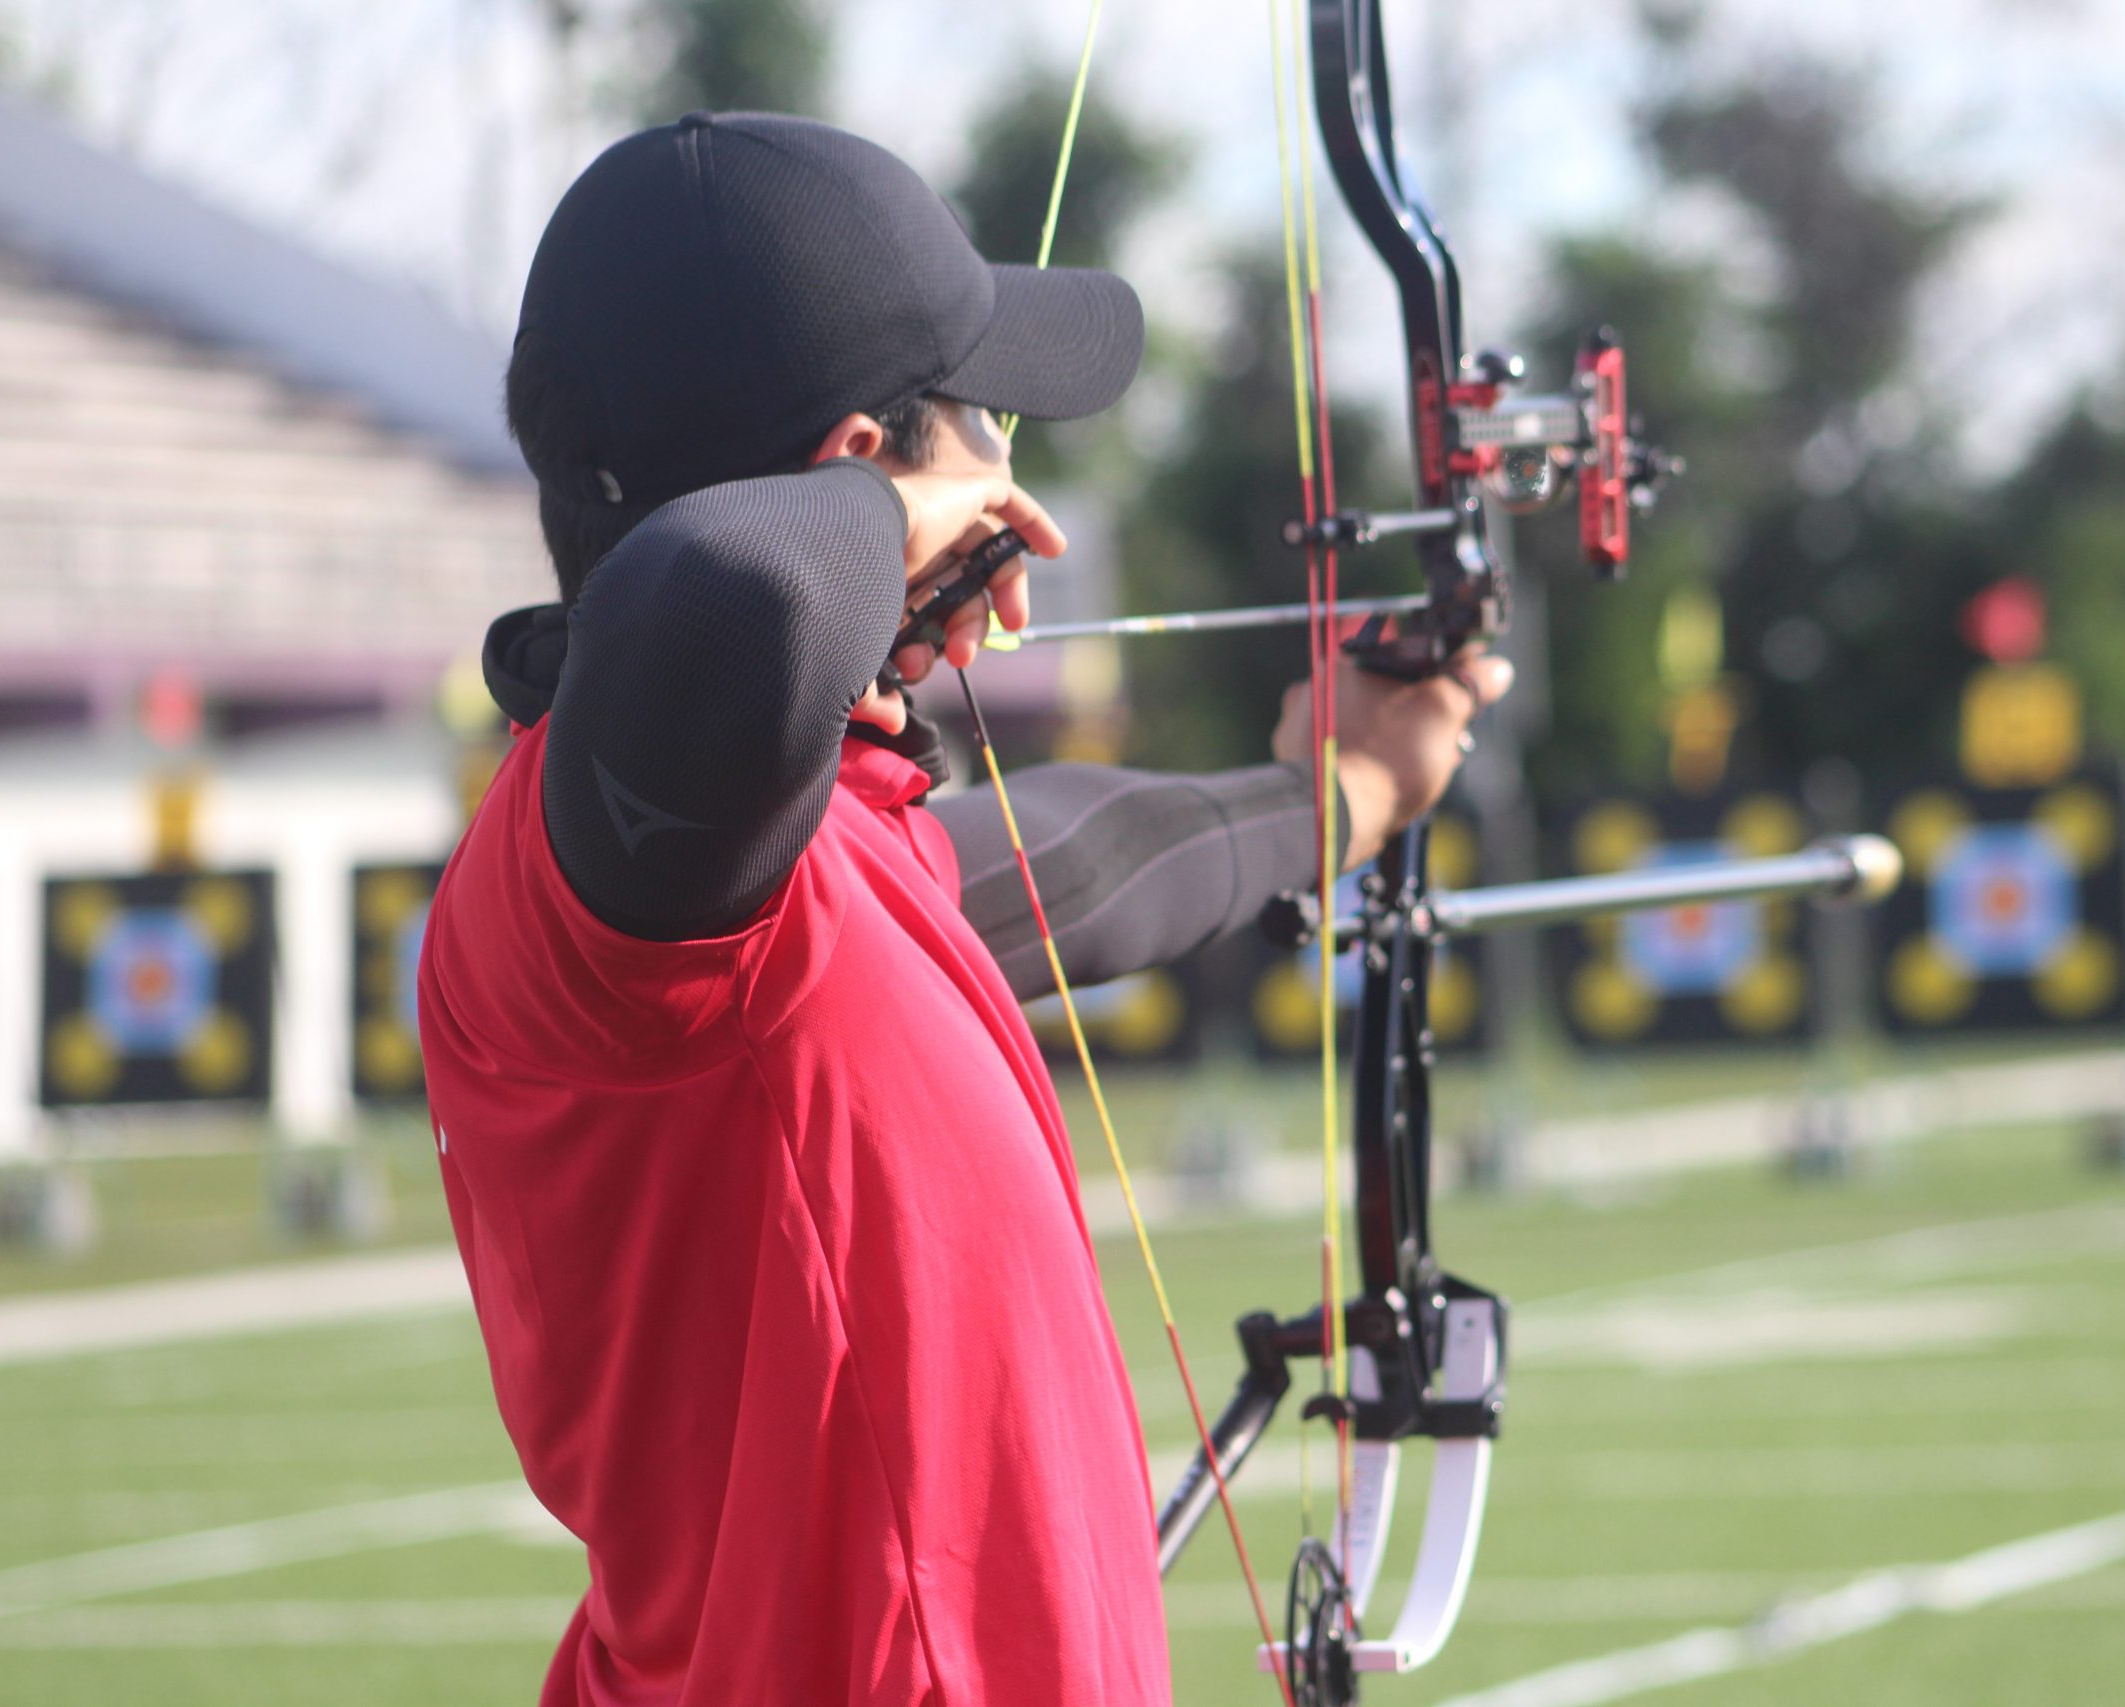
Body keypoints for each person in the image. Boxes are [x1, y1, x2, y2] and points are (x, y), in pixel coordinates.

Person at [418, 112, 1507, 1707]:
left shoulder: (795, 865)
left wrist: (1340, 793)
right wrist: (906, 516)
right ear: (856, 466)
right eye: (988, 422)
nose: (1020, 476)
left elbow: (1060, 873)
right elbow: (723, 596)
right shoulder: (614, 904)